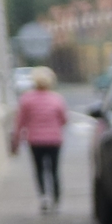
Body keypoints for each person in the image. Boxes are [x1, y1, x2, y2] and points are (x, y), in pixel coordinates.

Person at [9, 66, 68, 213]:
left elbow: (20, 122)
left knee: (39, 169)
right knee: (54, 169)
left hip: (35, 140)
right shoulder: (56, 99)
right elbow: (64, 119)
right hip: (54, 140)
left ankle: (43, 197)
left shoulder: (26, 99)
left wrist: (16, 139)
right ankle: (56, 198)